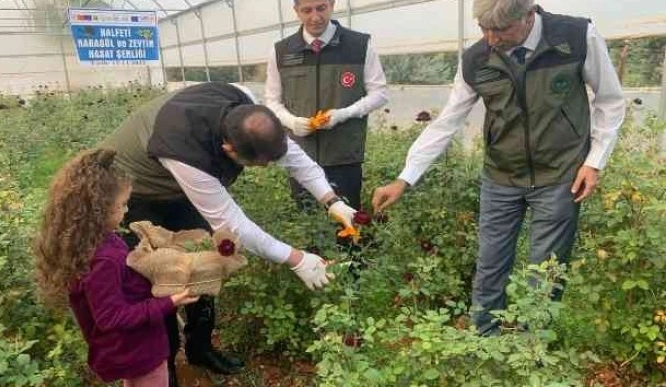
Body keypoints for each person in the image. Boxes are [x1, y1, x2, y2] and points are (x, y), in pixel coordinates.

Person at [372, 0, 625, 336]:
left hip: (560, 174)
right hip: (501, 176)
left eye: (501, 30)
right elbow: (447, 122)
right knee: (491, 264)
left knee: (546, 270)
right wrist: (405, 178)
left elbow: (609, 99)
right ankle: (485, 341)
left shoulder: (575, 37)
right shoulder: (476, 59)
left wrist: (594, 162)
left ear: (529, 15)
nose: (491, 39)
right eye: (483, 29)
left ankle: (531, 349)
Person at [99, 81, 358, 380]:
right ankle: (165, 365)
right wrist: (297, 258)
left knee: (206, 262)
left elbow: (296, 159)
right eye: (256, 165)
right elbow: (234, 225)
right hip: (135, 193)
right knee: (158, 278)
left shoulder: (248, 113)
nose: (263, 168)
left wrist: (333, 201)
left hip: (178, 186)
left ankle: (200, 347)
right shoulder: (184, 150)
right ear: (227, 149)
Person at [34, 148, 201, 386]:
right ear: (98, 210)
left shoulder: (98, 240)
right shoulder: (102, 259)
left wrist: (145, 259)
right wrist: (169, 302)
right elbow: (111, 317)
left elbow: (119, 282)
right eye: (121, 205)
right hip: (138, 351)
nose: (126, 211)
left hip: (130, 350)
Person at [265, 0, 389, 210]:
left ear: (332, 4)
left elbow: (379, 93)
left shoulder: (359, 45)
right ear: (296, 11)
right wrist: (291, 121)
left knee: (348, 221)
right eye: (307, 10)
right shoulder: (281, 52)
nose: (315, 17)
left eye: (321, 8)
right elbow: (272, 100)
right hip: (300, 156)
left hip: (344, 155)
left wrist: (344, 114)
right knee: (308, 223)